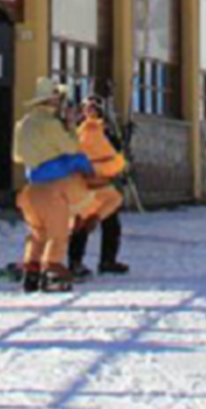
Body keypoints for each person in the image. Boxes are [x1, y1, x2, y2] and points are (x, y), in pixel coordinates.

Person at [12, 77, 103, 292]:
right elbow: (72, 147)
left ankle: (31, 271)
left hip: (31, 189)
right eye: (60, 99)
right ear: (51, 101)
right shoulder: (51, 125)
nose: (62, 104)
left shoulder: (22, 124)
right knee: (58, 233)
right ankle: (52, 272)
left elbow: (17, 156)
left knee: (37, 233)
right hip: (54, 188)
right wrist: (70, 126)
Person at [66, 96, 130, 277]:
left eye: (94, 108)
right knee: (82, 224)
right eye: (88, 108)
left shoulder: (104, 132)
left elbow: (115, 155)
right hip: (86, 185)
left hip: (103, 185)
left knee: (111, 225)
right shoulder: (79, 132)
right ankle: (75, 262)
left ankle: (107, 260)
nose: (91, 112)